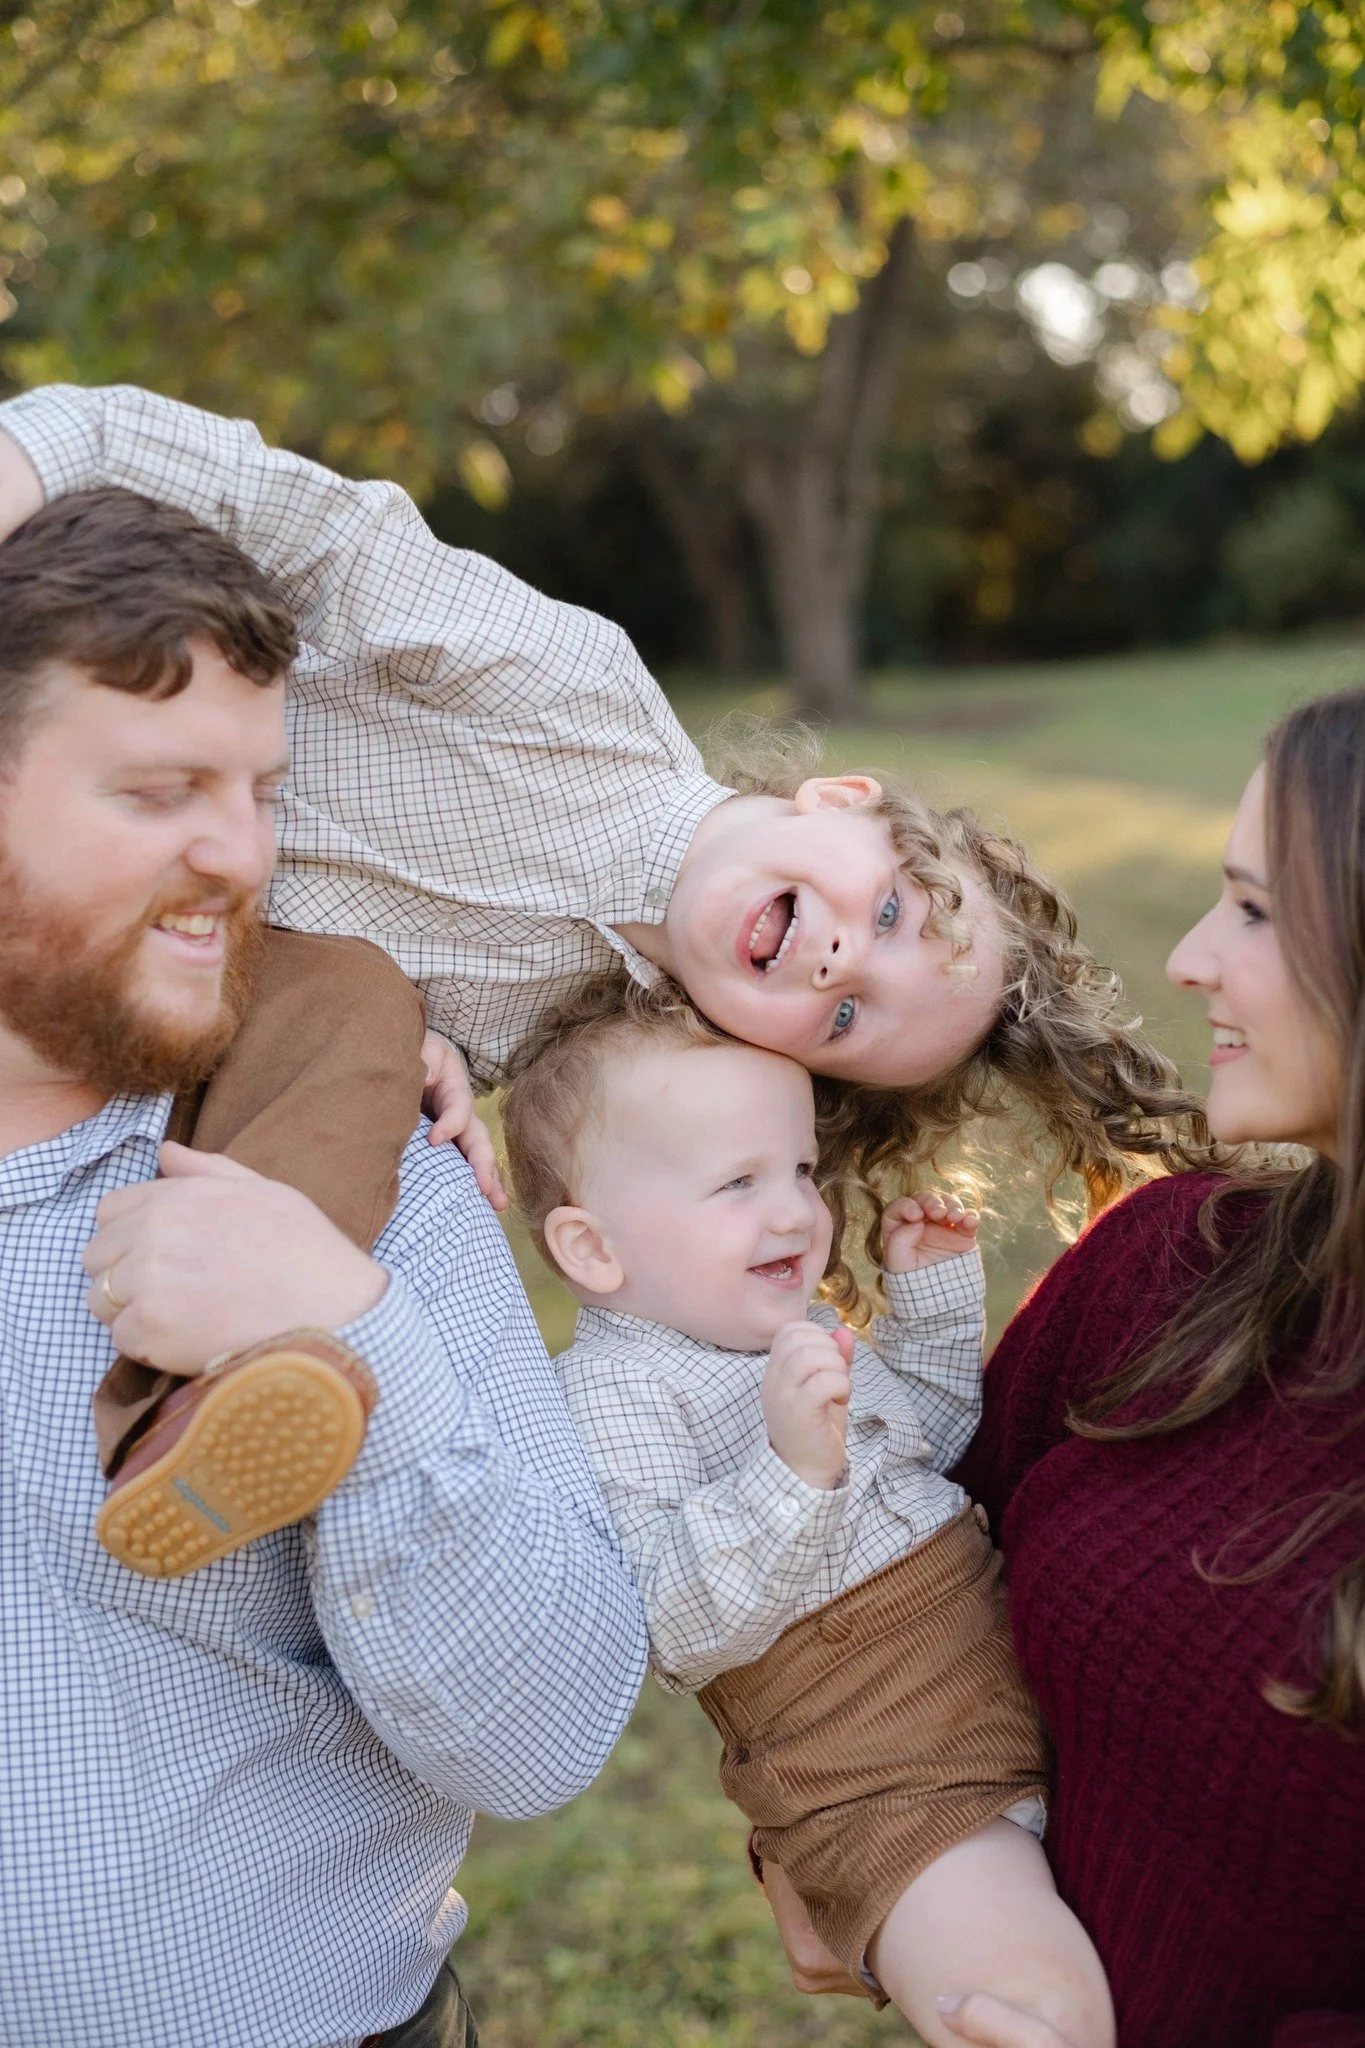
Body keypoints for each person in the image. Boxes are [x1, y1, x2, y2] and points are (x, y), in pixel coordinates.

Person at [0, 385, 1202, 1568]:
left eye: (844, 1017)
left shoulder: (583, 1042)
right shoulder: (575, 692)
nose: (844, 959)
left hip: (175, 955)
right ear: (841, 798)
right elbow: (316, 531)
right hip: (104, 752)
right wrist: (31, 464)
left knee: (360, 1021)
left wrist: (427, 1054)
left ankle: (190, 1406)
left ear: (775, 1055)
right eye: (888, 910)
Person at [0, 485, 647, 2045]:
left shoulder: (355, 1180)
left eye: (264, 794)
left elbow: (544, 1734)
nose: (238, 856)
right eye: (162, 794)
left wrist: (348, 1325)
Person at [498, 975, 1115, 2048]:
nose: (794, 1208)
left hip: (1002, 1649)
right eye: (737, 1181)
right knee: (1026, 1991)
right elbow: (673, 1624)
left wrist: (924, 1305)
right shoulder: (613, 1394)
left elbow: (920, 1451)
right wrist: (789, 1469)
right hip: (880, 1758)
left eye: (798, 1169)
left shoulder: (793, 1318)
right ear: (595, 1249)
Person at [945, 688, 1365, 2048]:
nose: (1189, 958)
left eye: (1254, 911)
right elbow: (903, 1579)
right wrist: (859, 1856)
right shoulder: (1166, 1269)